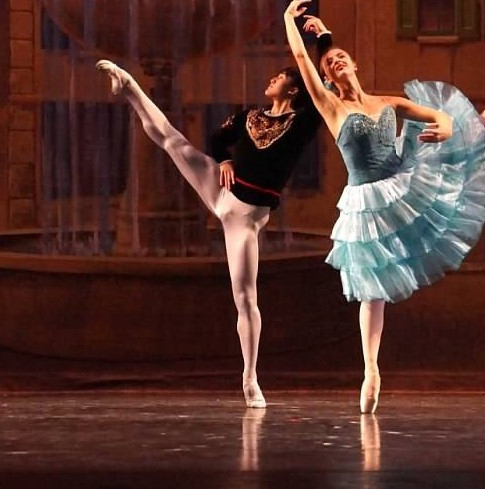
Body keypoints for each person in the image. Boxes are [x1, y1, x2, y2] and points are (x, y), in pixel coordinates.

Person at [284, 0, 485, 413]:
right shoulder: (331, 106)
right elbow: (304, 59)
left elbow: (438, 116)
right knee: (372, 288)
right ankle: (371, 371)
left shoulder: (389, 103)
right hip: (367, 198)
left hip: (403, 179)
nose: (337, 62)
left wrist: (445, 127)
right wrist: (291, 20)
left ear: (355, 65)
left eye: (342, 57)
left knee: (471, 132)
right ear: (327, 78)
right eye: (330, 63)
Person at [95, 50, 330, 409]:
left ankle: (250, 378)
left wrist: (322, 41)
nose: (272, 79)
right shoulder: (249, 115)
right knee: (172, 141)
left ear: (294, 89)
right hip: (221, 189)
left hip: (245, 219)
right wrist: (224, 160)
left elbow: (319, 86)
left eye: (280, 77)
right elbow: (218, 139)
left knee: (246, 299)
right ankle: (128, 86)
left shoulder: (302, 122)